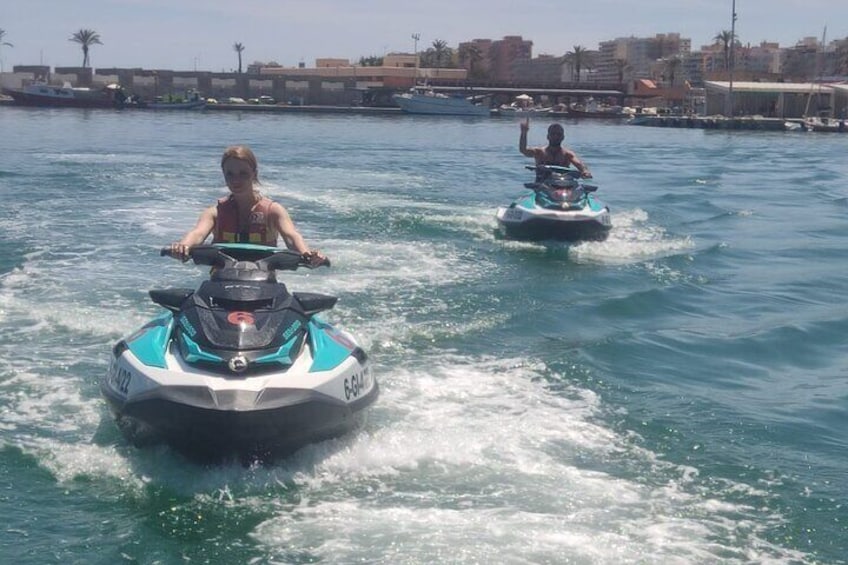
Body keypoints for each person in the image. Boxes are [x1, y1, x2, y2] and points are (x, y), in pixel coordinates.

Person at [169, 145, 325, 265]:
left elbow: (291, 237)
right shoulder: (214, 213)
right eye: (230, 174)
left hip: (263, 281)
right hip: (220, 280)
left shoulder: (273, 211)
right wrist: (183, 246)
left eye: (243, 174)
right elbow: (198, 234)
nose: (236, 180)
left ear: (254, 174)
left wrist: (307, 254)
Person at [519, 118, 592, 178]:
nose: (556, 137)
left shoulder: (567, 154)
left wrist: (585, 172)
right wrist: (524, 132)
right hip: (543, 186)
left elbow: (580, 165)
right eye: (553, 134)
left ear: (563, 137)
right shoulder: (539, 152)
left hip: (564, 186)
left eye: (559, 134)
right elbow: (523, 150)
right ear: (548, 136)